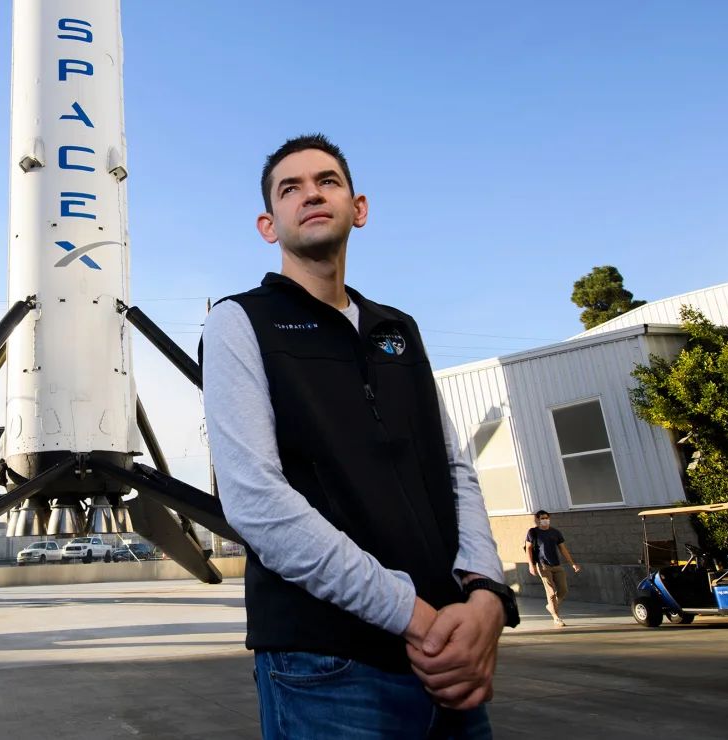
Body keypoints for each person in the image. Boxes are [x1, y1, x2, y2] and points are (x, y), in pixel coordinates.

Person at [202, 134, 518, 739]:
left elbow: (454, 471)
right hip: (327, 666)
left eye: (327, 181)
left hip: (447, 657)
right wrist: (414, 617)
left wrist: (485, 598)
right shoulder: (240, 322)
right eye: (289, 188)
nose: (310, 194)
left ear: (359, 207)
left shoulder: (397, 329)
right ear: (269, 225)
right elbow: (256, 502)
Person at [525, 510, 581, 627]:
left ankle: (551, 606)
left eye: (546, 518)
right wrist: (531, 565)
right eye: (542, 518)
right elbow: (528, 548)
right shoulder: (533, 532)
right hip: (543, 565)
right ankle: (556, 617)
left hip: (557, 565)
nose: (545, 520)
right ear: (538, 520)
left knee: (563, 590)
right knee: (550, 593)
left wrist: (572, 563)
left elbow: (563, 549)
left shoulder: (555, 532)